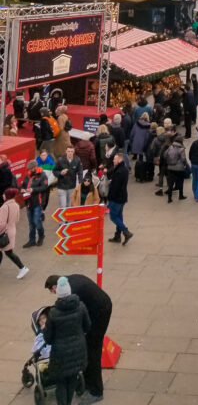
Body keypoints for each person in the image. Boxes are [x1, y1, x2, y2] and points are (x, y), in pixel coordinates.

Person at [46, 273, 113, 404]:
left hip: (100, 311)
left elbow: (73, 314)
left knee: (93, 351)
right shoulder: (69, 281)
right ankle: (89, 383)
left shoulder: (72, 290)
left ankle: (96, 391)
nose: (55, 293)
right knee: (87, 348)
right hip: (99, 307)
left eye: (53, 291)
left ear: (55, 286)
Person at [43, 276, 91, 405]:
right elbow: (87, 326)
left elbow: (47, 338)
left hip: (60, 354)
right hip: (78, 351)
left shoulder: (53, 313)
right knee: (72, 380)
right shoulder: (81, 307)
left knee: (61, 383)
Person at [0, 186, 29, 279]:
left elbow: (2, 224)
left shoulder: (4, 207)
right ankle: (22, 268)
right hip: (12, 230)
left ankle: (22, 267)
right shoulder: (16, 205)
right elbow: (17, 219)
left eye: (4, 194)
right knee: (8, 252)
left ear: (7, 196)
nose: (2, 195)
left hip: (4, 232)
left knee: (8, 252)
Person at [21, 160, 49, 247]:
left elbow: (44, 187)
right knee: (31, 223)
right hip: (29, 203)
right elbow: (24, 184)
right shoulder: (28, 175)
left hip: (38, 202)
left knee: (37, 221)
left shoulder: (42, 175)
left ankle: (41, 236)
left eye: (30, 169)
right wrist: (22, 188)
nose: (29, 170)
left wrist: (33, 190)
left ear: (34, 167)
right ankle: (32, 240)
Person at [107, 152, 133, 245]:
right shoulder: (122, 169)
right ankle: (117, 235)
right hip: (122, 197)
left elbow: (115, 187)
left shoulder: (119, 171)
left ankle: (126, 232)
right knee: (119, 216)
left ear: (119, 159)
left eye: (115, 159)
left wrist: (110, 198)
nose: (113, 160)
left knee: (113, 216)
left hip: (116, 198)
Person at [165, 134, 188, 203]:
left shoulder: (170, 147)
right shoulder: (181, 149)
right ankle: (181, 195)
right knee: (180, 181)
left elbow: (165, 155)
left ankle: (169, 198)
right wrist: (185, 165)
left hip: (170, 167)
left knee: (171, 183)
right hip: (179, 168)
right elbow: (183, 159)